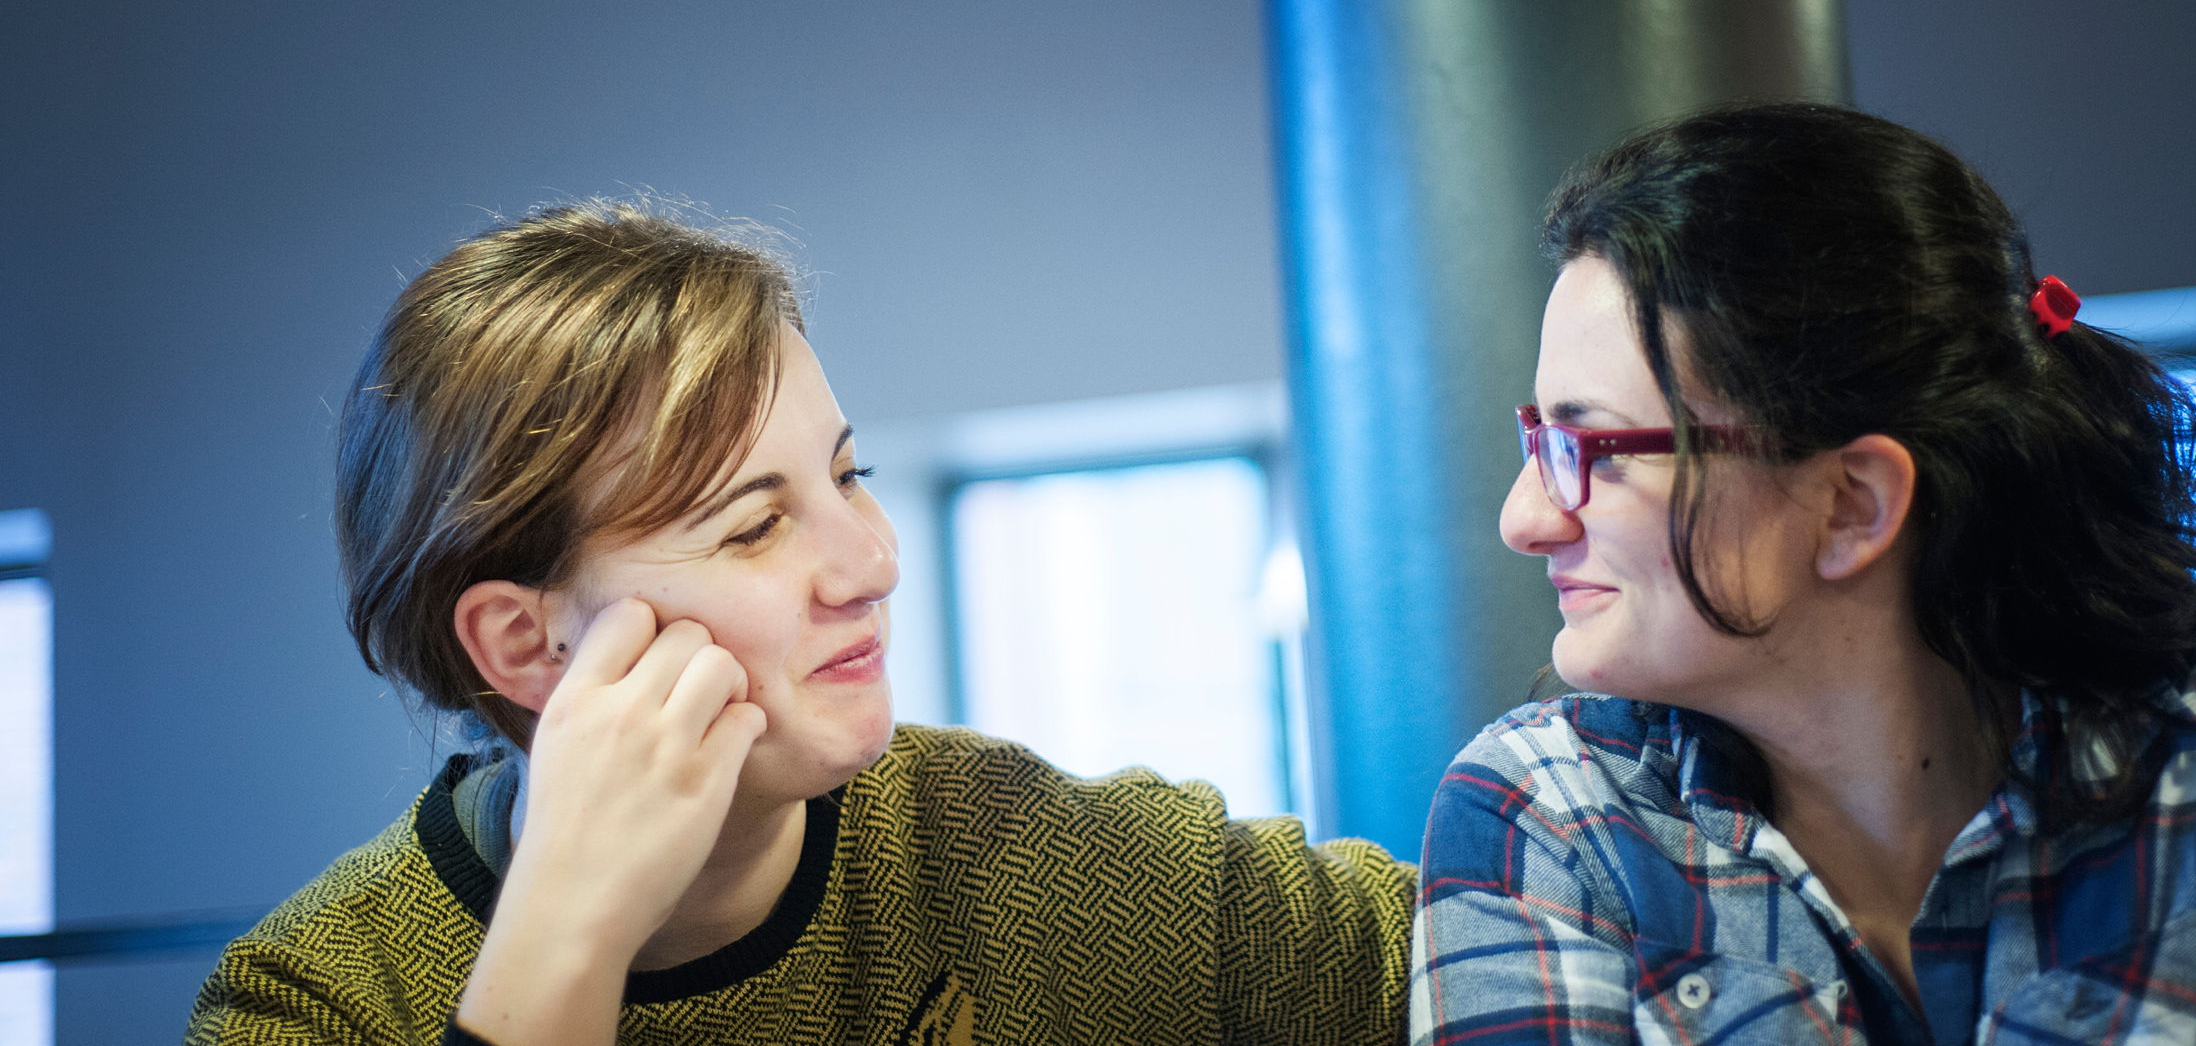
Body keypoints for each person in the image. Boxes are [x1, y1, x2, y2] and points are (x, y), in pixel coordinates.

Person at [187, 203, 1413, 1045]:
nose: (871, 561)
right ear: (526, 646)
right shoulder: (322, 1001)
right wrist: (566, 939)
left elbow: (1481, 953)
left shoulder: (1028, 858)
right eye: (751, 525)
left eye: (849, 474)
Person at [1410, 103, 2196, 1044]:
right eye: (1538, 441)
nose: (1524, 518)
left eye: (1597, 450)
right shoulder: (1545, 815)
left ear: (1851, 505)